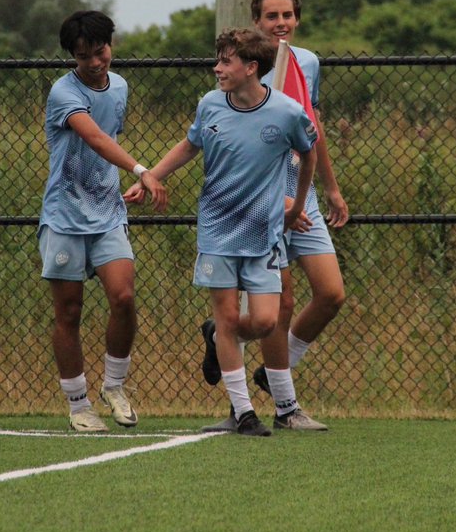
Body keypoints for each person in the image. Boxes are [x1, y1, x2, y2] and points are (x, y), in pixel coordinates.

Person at [128, 28, 316, 437]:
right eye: (218, 60)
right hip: (216, 230)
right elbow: (189, 145)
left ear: (251, 68)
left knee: (266, 321)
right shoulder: (210, 105)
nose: (217, 68)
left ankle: (216, 337)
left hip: (263, 233)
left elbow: (309, 153)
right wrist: (150, 177)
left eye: (226, 61)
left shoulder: (286, 112)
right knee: (229, 317)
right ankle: (244, 412)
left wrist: (297, 205)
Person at [38, 10, 167, 432]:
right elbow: (93, 135)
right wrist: (141, 172)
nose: (95, 62)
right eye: (84, 56)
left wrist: (123, 180)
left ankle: (115, 387)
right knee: (69, 312)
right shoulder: (63, 92)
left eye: (101, 51)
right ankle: (79, 405)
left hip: (108, 212)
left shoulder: (121, 87)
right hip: (64, 217)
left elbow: (108, 144)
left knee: (124, 297)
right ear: (72, 57)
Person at [245, 0, 349, 431]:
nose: (281, 23)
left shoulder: (307, 62)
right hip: (263, 198)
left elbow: (312, 127)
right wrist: (279, 198)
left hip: (302, 191)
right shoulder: (246, 68)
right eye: (272, 16)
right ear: (257, 23)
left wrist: (330, 187)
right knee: (281, 301)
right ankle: (287, 408)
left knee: (330, 294)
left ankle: (272, 370)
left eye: (287, 15)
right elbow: (241, 142)